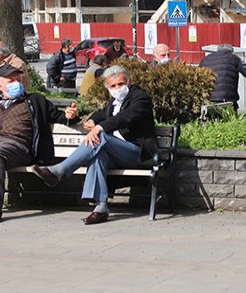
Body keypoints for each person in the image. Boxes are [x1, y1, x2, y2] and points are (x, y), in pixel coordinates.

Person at [31, 66, 158, 225]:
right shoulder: (113, 102)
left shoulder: (140, 98)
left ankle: (60, 170)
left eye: (121, 84)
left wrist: (99, 128)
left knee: (101, 136)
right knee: (99, 156)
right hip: (116, 153)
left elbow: (124, 118)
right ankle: (100, 207)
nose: (117, 88)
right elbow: (101, 114)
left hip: (138, 153)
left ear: (129, 82)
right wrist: (92, 121)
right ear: (108, 88)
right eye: (113, 86)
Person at [0, 64, 78, 224]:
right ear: (0, 86)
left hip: (15, 145)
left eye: (18, 79)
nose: (16, 83)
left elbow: (60, 116)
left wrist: (70, 115)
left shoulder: (35, 100)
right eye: (10, 80)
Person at [199, 44, 246, 110]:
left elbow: (198, 79)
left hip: (208, 99)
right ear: (232, 52)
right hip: (228, 99)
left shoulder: (204, 59)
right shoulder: (234, 58)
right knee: (233, 112)